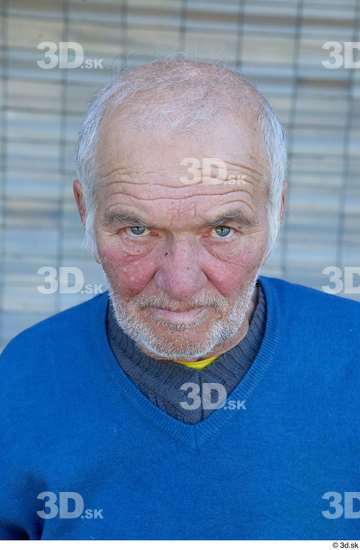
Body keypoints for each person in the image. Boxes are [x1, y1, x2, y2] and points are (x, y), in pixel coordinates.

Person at [0, 56, 359, 540]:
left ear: (277, 210)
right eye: (138, 229)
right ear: (86, 210)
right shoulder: (23, 375)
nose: (181, 283)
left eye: (223, 229)